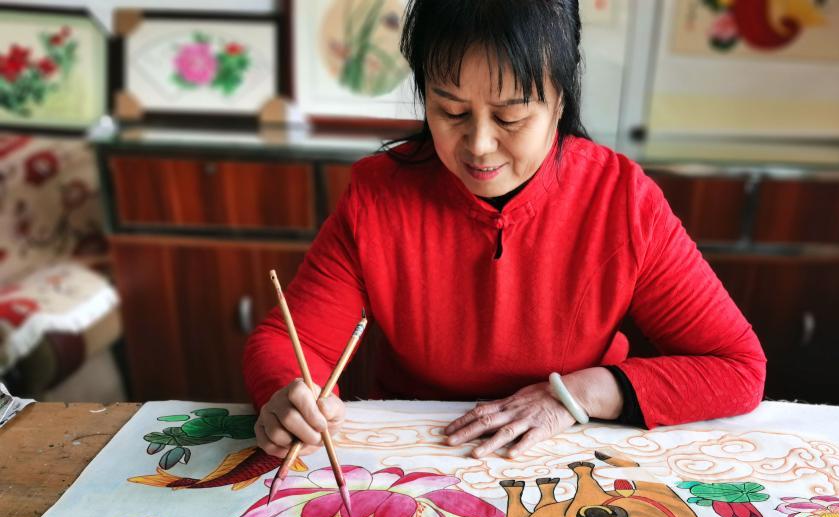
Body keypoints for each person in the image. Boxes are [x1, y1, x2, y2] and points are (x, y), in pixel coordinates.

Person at [245, 0, 766, 461]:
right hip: (419, 450)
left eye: (510, 118)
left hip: (572, 449)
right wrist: (291, 394)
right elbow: (291, 341)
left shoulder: (621, 202)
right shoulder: (377, 195)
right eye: (451, 111)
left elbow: (737, 367)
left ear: (560, 101)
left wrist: (579, 394)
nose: (479, 145)